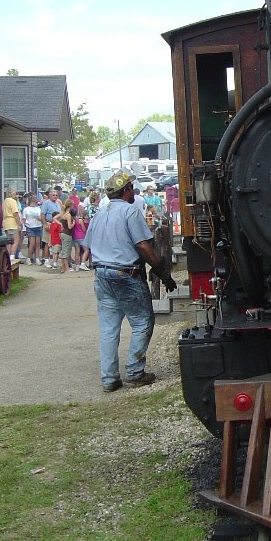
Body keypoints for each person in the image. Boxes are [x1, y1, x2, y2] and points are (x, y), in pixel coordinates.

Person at [84, 168, 177, 392]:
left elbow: (88, 245)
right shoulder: (130, 212)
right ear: (126, 190)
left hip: (102, 274)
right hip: (126, 274)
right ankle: (135, 372)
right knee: (142, 321)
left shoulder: (100, 213)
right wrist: (162, 272)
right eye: (131, 187)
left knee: (109, 327)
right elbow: (143, 245)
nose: (133, 190)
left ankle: (109, 379)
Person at [40, 188, 61, 263]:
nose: (55, 196)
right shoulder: (46, 203)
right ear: (49, 195)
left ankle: (53, 260)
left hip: (56, 225)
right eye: (53, 195)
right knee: (47, 242)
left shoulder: (57, 203)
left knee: (54, 243)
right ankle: (46, 260)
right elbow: (42, 214)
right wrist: (45, 224)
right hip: (49, 224)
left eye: (56, 195)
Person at [56, 198, 76, 273]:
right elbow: (69, 226)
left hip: (63, 233)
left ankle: (63, 267)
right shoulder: (68, 215)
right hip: (67, 233)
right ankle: (67, 268)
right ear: (70, 206)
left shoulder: (63, 214)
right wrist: (73, 223)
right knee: (66, 251)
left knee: (63, 250)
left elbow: (55, 218)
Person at [22, 194, 43, 263]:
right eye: (33, 201)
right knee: (32, 243)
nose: (35, 203)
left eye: (35, 201)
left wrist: (40, 219)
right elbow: (24, 219)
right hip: (30, 227)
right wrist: (26, 225)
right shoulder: (26, 209)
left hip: (38, 226)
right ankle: (28, 257)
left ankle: (37, 258)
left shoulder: (38, 209)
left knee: (37, 243)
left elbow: (41, 218)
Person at [2, 187, 22, 258]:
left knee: (9, 242)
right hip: (12, 222)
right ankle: (12, 256)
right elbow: (15, 213)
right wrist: (19, 223)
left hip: (6, 223)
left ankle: (7, 256)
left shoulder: (5, 201)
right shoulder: (12, 201)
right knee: (16, 240)